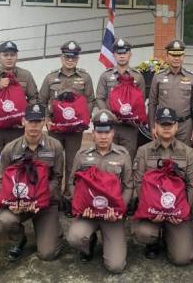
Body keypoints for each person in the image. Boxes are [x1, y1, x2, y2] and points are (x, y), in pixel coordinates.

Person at [0, 41, 39, 222]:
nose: (9, 58)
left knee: (17, 164)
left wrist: (27, 117)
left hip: (17, 130)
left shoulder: (25, 75)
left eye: (12, 54)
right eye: (5, 55)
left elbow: (34, 98)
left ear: (16, 56)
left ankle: (13, 199)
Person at [66, 110, 133, 274]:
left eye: (107, 132)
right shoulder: (82, 155)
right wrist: (81, 206)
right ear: (93, 133)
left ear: (113, 133)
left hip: (111, 215)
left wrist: (119, 210)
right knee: (75, 238)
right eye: (99, 132)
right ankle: (89, 242)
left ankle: (109, 242)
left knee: (116, 266)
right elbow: (71, 182)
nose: (103, 137)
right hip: (88, 213)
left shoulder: (123, 155)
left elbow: (128, 186)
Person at [0, 103, 64, 261]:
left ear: (44, 122)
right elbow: (2, 180)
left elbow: (57, 179)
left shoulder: (55, 147)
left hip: (46, 204)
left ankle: (54, 231)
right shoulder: (10, 149)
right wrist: (13, 202)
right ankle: (19, 239)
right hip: (19, 202)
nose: (34, 125)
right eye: (30, 121)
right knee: (5, 221)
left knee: (47, 254)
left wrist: (38, 199)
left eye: (38, 121)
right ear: (23, 121)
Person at [131, 108, 193, 266]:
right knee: (143, 233)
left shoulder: (188, 152)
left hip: (177, 213)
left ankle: (169, 236)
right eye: (162, 124)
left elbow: (192, 184)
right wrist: (150, 208)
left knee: (183, 258)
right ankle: (153, 242)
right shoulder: (143, 151)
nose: (166, 128)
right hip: (152, 212)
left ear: (176, 127)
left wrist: (183, 210)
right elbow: (138, 183)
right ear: (155, 126)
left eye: (170, 125)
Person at [39, 41, 96, 215]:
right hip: (55, 129)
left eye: (73, 57)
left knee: (72, 164)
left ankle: (70, 198)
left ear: (77, 58)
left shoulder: (85, 78)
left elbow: (91, 100)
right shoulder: (50, 78)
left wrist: (84, 118)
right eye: (67, 57)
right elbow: (41, 100)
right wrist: (46, 119)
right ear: (61, 57)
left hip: (74, 131)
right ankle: (53, 198)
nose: (70, 60)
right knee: (54, 162)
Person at [96, 38, 146, 160]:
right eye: (119, 53)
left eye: (125, 53)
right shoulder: (106, 76)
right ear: (114, 55)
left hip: (130, 127)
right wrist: (108, 115)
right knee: (108, 158)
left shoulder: (138, 77)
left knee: (128, 158)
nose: (122, 56)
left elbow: (141, 100)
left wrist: (132, 116)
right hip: (110, 126)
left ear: (130, 54)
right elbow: (100, 98)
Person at [147, 39, 193, 146]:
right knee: (163, 154)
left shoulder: (191, 77)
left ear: (183, 57)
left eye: (179, 55)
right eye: (173, 55)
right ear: (167, 56)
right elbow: (152, 103)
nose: (176, 58)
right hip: (164, 125)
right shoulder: (158, 77)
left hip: (185, 126)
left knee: (184, 154)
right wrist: (152, 126)